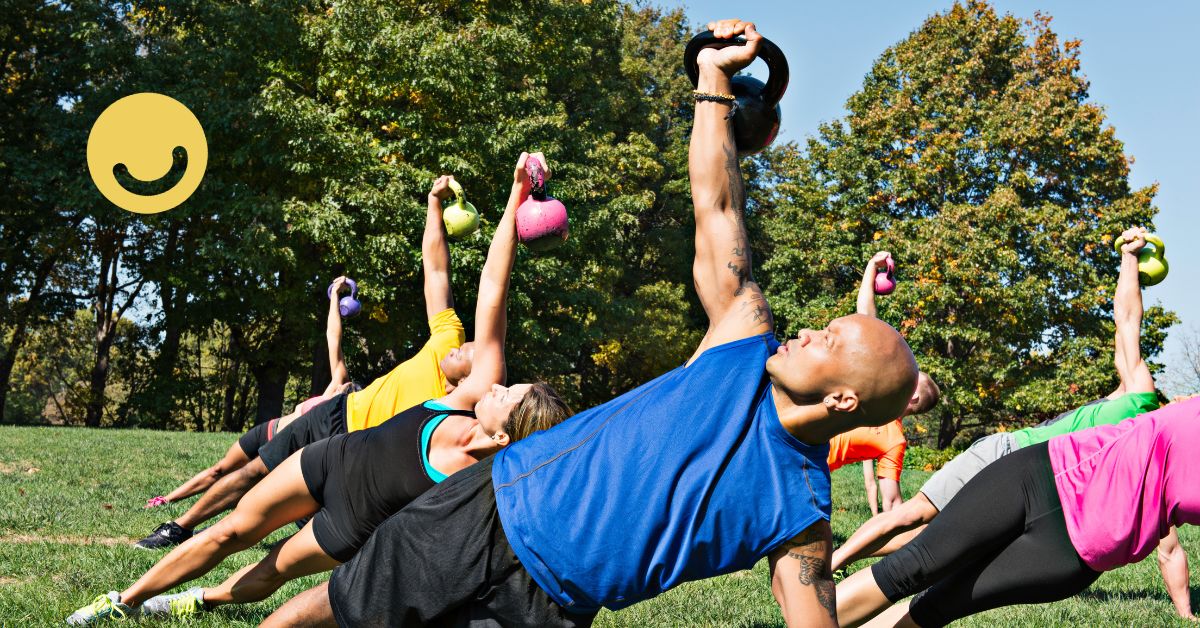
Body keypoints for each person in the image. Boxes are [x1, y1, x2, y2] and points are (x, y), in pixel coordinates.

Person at [264, 19, 919, 628]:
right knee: (335, 609)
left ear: (843, 398)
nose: (807, 333)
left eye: (828, 340)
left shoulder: (799, 509)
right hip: (490, 504)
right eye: (822, 326)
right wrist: (714, 78)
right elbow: (717, 206)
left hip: (552, 608)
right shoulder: (745, 343)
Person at [66, 157, 573, 625]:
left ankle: (195, 599)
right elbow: (492, 288)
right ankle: (119, 603)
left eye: (508, 397)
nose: (500, 387)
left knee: (272, 572)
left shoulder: (484, 481)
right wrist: (515, 194)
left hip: (355, 521)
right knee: (231, 530)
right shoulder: (473, 390)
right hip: (332, 457)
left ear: (505, 437)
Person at [132, 174, 474, 550]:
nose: (466, 345)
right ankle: (179, 526)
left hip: (358, 452)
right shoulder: (446, 341)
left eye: (474, 352)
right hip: (336, 414)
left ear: (476, 377)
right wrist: (433, 204)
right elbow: (436, 269)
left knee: (293, 508)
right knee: (254, 471)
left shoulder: (455, 417)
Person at [832, 227, 1167, 574]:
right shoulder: (1137, 402)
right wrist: (1129, 257)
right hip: (1006, 454)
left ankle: (845, 560)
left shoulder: (1141, 454)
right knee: (914, 515)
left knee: (933, 531)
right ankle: (833, 562)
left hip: (1028, 479)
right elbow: (1127, 321)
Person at [835, 396, 1200, 627]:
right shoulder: (1185, 409)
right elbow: (1127, 312)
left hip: (1073, 553)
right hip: (1041, 476)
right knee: (912, 566)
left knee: (936, 607)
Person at [141, 276, 356, 513]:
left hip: (281, 454)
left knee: (244, 488)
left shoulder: (340, 419)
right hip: (268, 431)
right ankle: (165, 500)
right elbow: (332, 336)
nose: (345, 388)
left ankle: (202, 522)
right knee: (220, 469)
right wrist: (335, 295)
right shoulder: (337, 384)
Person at [832, 252, 941, 515]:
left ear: (913, 398)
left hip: (806, 468)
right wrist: (871, 267)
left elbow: (892, 502)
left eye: (915, 377)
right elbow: (867, 321)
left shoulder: (894, 440)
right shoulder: (876, 389)